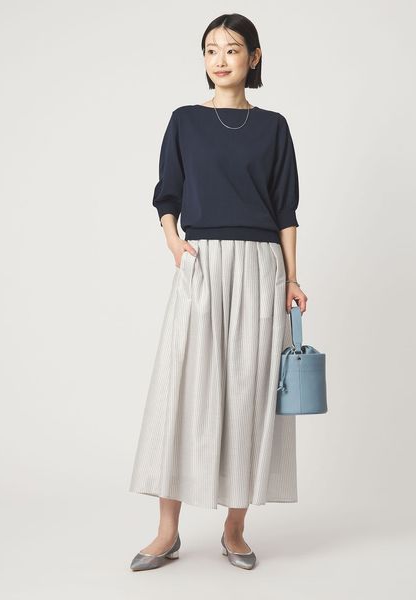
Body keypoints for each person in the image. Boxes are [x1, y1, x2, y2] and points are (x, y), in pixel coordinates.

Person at [128, 13, 308, 571]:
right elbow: (168, 192)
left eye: (232, 49)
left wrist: (292, 278)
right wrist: (173, 243)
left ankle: (235, 528)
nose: (220, 59)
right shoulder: (185, 121)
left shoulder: (273, 127)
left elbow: (286, 210)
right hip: (202, 261)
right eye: (211, 49)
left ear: (254, 57)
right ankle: (167, 532)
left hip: (260, 265)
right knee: (182, 389)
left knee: (248, 393)